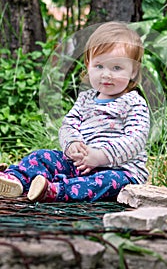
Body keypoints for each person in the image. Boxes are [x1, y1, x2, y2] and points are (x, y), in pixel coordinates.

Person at [0, 21, 150, 203]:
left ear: (133, 71)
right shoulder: (86, 99)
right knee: (42, 156)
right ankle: (15, 179)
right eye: (99, 66)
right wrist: (72, 144)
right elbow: (69, 125)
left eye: (116, 68)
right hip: (79, 164)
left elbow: (135, 139)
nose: (106, 74)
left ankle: (55, 190)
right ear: (88, 65)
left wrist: (100, 156)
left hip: (119, 170)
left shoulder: (134, 103)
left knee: (106, 182)